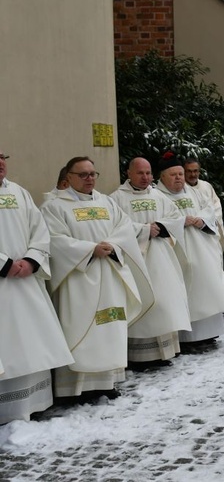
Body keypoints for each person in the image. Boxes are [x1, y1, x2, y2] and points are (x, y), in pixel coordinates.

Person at [41, 156, 153, 402]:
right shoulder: (54, 206)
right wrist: (89, 250)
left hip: (110, 273)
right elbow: (53, 240)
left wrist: (112, 246)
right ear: (68, 177)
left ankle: (106, 382)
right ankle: (74, 389)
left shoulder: (107, 203)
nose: (89, 178)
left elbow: (124, 230)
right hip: (78, 278)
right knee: (80, 328)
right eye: (82, 174)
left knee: (109, 327)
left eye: (92, 174)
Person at [0, 151, 74, 423]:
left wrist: (31, 260)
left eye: (2, 157)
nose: (0, 163)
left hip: (26, 281)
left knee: (31, 340)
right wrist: (5, 264)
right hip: (4, 282)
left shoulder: (19, 192)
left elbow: (39, 230)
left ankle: (35, 403)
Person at [110, 157, 192, 370]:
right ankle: (139, 357)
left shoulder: (159, 196)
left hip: (161, 257)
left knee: (164, 302)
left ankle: (165, 351)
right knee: (143, 301)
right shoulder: (116, 199)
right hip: (135, 259)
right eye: (140, 173)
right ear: (128, 173)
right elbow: (116, 226)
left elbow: (175, 218)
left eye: (148, 173)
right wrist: (144, 229)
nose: (145, 177)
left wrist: (160, 227)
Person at [157, 153, 224, 349]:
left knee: (207, 286)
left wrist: (202, 219)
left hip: (201, 248)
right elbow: (159, 220)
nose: (179, 178)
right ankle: (188, 339)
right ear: (162, 177)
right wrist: (181, 221)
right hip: (179, 251)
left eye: (180, 173)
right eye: (173, 174)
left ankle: (209, 333)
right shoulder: (158, 195)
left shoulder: (193, 191)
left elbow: (209, 209)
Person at [184, 158, 224, 250]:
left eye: (195, 171)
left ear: (199, 172)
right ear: (184, 172)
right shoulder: (180, 189)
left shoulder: (206, 186)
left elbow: (216, 208)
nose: (193, 174)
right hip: (191, 235)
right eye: (189, 171)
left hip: (209, 231)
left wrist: (206, 221)